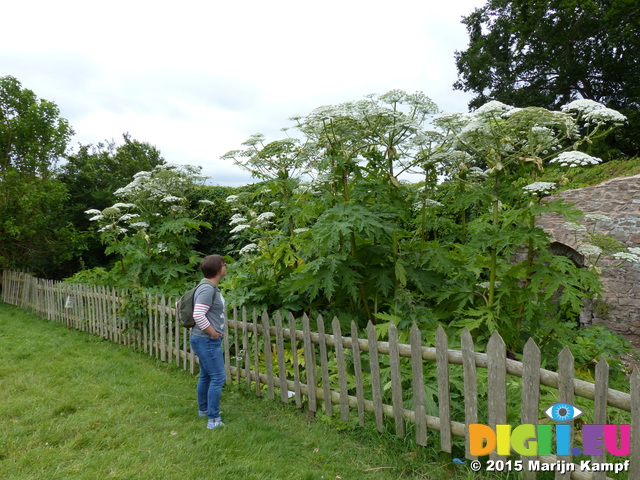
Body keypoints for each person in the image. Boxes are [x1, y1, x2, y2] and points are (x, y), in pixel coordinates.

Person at [190, 254, 227, 429]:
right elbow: (198, 314)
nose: (226, 267)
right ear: (218, 269)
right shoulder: (207, 289)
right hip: (206, 340)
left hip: (203, 340)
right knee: (218, 377)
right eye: (224, 264)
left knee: (205, 375)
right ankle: (213, 419)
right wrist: (213, 333)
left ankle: (203, 410)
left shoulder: (209, 286)